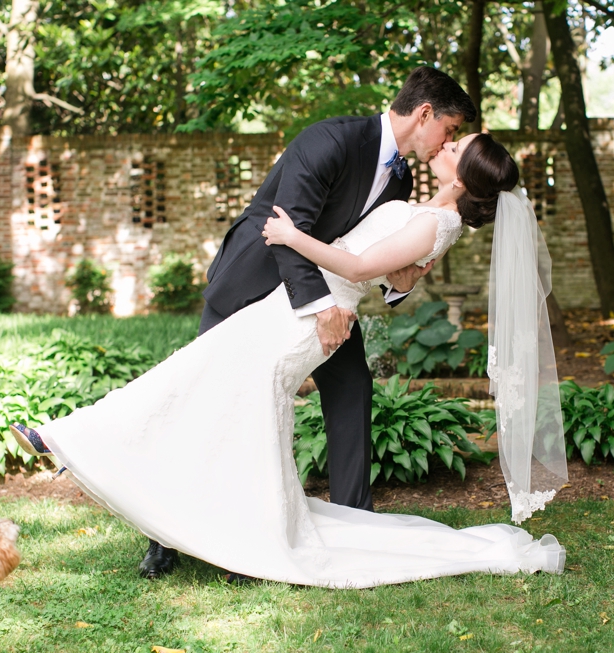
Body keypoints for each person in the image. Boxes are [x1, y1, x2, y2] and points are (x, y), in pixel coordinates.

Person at [9, 130, 569, 588]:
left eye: (455, 148)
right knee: (214, 390)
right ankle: (115, 463)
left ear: (464, 176)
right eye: (449, 138)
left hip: (312, 316)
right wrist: (401, 273)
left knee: (204, 383)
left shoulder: (433, 221)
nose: (445, 146)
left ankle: (69, 440)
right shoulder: (424, 209)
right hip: (289, 307)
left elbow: (354, 268)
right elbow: (386, 266)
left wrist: (289, 235)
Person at [141, 66, 475, 579]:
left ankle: (352, 520)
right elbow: (284, 225)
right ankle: (166, 536)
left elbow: (375, 254)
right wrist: (322, 308)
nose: (448, 141)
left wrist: (402, 281)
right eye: (450, 130)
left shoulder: (404, 178)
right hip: (254, 282)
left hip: (330, 295)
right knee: (210, 401)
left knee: (352, 389)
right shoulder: (330, 140)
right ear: (425, 114)